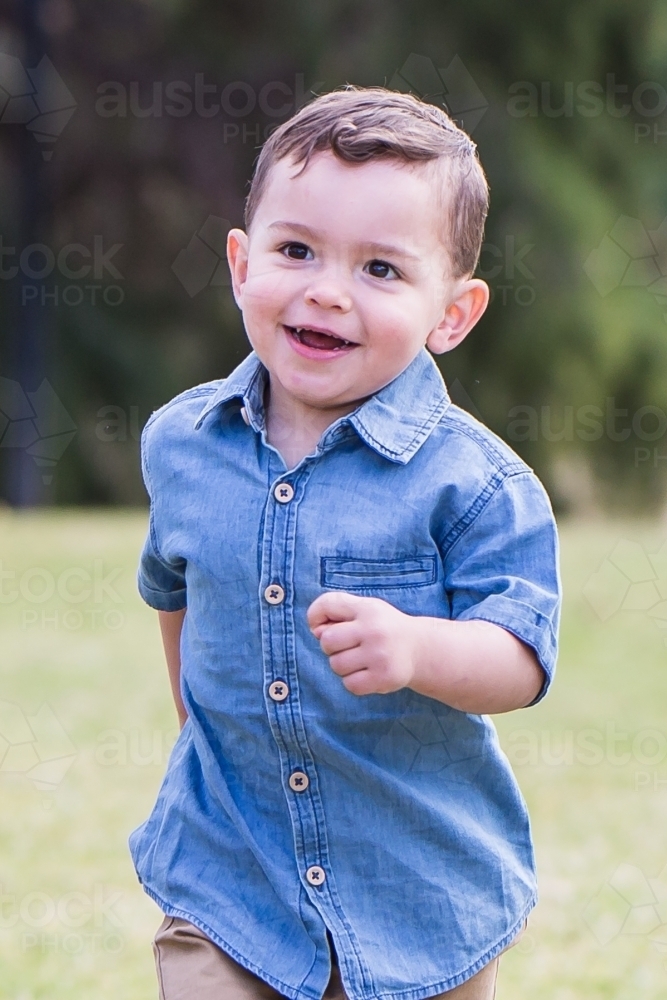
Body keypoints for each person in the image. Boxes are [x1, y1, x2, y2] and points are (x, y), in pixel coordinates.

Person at [131, 86, 561, 1000]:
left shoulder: (476, 485)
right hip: (228, 874)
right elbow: (173, 592)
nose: (326, 289)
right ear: (242, 264)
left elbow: (522, 657)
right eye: (296, 251)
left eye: (380, 269)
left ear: (452, 313)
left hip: (416, 890)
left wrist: (417, 647)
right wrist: (197, 736)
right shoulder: (182, 445)